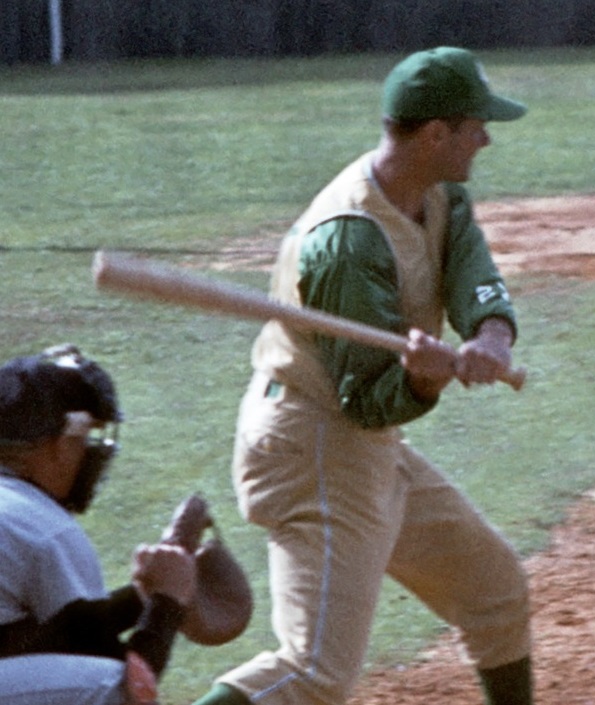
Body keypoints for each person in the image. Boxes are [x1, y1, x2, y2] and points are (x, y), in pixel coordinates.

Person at [192, 47, 533, 705]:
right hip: (313, 441)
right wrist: (424, 380)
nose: (486, 137)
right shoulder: (348, 238)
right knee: (315, 671)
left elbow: (469, 264)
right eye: (475, 126)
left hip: (362, 446)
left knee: (495, 590)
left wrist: (490, 333)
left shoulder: (437, 193)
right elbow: (369, 398)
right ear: (436, 134)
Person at [0, 344, 197, 705]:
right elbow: (128, 680)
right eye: (83, 439)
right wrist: (168, 603)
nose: (91, 453)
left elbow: (41, 639)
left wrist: (141, 597)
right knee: (107, 686)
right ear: (56, 445)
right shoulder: (42, 526)